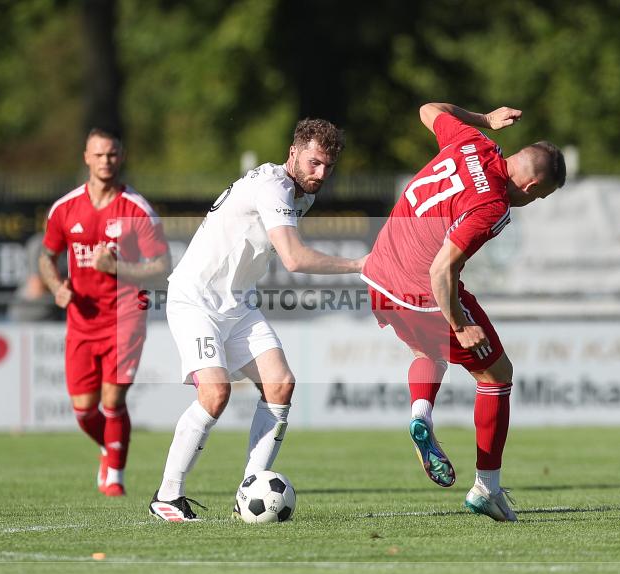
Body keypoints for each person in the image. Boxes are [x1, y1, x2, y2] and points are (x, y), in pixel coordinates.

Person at [149, 118, 366, 521]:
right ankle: (167, 495)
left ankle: (248, 493)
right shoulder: (274, 188)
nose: (320, 174)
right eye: (314, 163)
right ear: (293, 153)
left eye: (328, 167)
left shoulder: (301, 194)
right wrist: (358, 264)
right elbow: (295, 259)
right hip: (195, 300)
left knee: (280, 384)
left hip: (237, 306)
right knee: (215, 394)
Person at [361, 101, 565, 522]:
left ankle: (420, 413)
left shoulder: (473, 141)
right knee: (497, 375)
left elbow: (427, 108)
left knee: (429, 353)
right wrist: (460, 323)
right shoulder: (492, 205)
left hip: (379, 275)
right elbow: (441, 271)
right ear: (531, 188)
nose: (534, 201)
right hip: (422, 286)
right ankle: (486, 489)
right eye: (540, 197)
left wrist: (485, 120)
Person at [40, 128, 170, 497]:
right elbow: (46, 258)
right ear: (86, 158)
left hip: (125, 315)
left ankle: (115, 473)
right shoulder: (65, 209)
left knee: (112, 401)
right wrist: (56, 287)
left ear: (121, 156)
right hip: (81, 318)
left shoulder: (136, 209)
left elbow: (162, 266)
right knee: (84, 410)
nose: (105, 161)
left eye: (111, 154)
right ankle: (107, 447)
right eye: (98, 155)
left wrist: (118, 269)